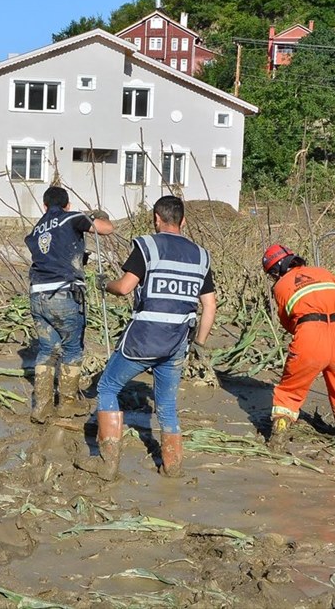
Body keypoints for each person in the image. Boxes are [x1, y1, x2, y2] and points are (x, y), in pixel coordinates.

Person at [76, 195, 216, 480]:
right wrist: (199, 343)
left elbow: (126, 288)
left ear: (156, 219)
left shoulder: (147, 245)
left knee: (107, 387)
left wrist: (105, 284)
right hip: (178, 340)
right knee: (166, 405)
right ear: (183, 221)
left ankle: (108, 462)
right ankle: (172, 467)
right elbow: (209, 305)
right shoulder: (201, 255)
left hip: (144, 337)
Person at [25, 186, 113, 423]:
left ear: (44, 206)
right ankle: (67, 403)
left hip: (37, 296)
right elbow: (106, 229)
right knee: (72, 349)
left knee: (46, 349)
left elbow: (51, 252)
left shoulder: (36, 230)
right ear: (68, 205)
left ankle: (41, 406)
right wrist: (96, 217)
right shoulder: (70, 218)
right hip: (64, 294)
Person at [261, 244, 335, 449]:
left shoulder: (280, 287)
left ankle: (280, 427)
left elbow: (287, 322)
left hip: (309, 334)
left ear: (275, 270)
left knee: (291, 388)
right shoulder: (324, 273)